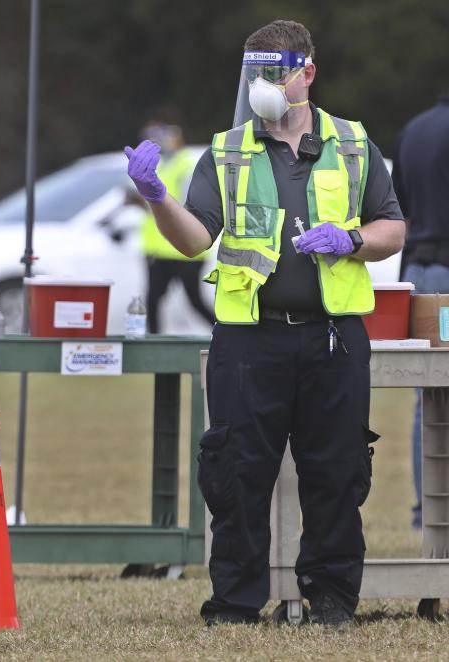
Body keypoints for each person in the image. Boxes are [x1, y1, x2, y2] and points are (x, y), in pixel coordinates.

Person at [124, 20, 405, 626]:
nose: (264, 86)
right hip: (250, 339)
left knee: (336, 472)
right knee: (236, 472)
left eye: (276, 73)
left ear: (308, 72)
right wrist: (156, 196)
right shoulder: (227, 151)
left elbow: (392, 227)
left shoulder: (354, 143)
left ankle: (330, 601)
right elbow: (196, 237)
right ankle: (235, 603)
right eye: (255, 74)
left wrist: (352, 238)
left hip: (333, 339)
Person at [391, 96, 449, 530]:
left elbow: (400, 211)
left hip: (419, 273)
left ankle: (423, 508)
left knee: (424, 398)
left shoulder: (413, 129)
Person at [135, 117, 215, 333]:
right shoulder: (160, 165)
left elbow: (187, 205)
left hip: (184, 250)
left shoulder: (186, 165)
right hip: (160, 250)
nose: (160, 140)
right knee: (152, 301)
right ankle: (155, 350)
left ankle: (226, 334)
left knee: (194, 301)